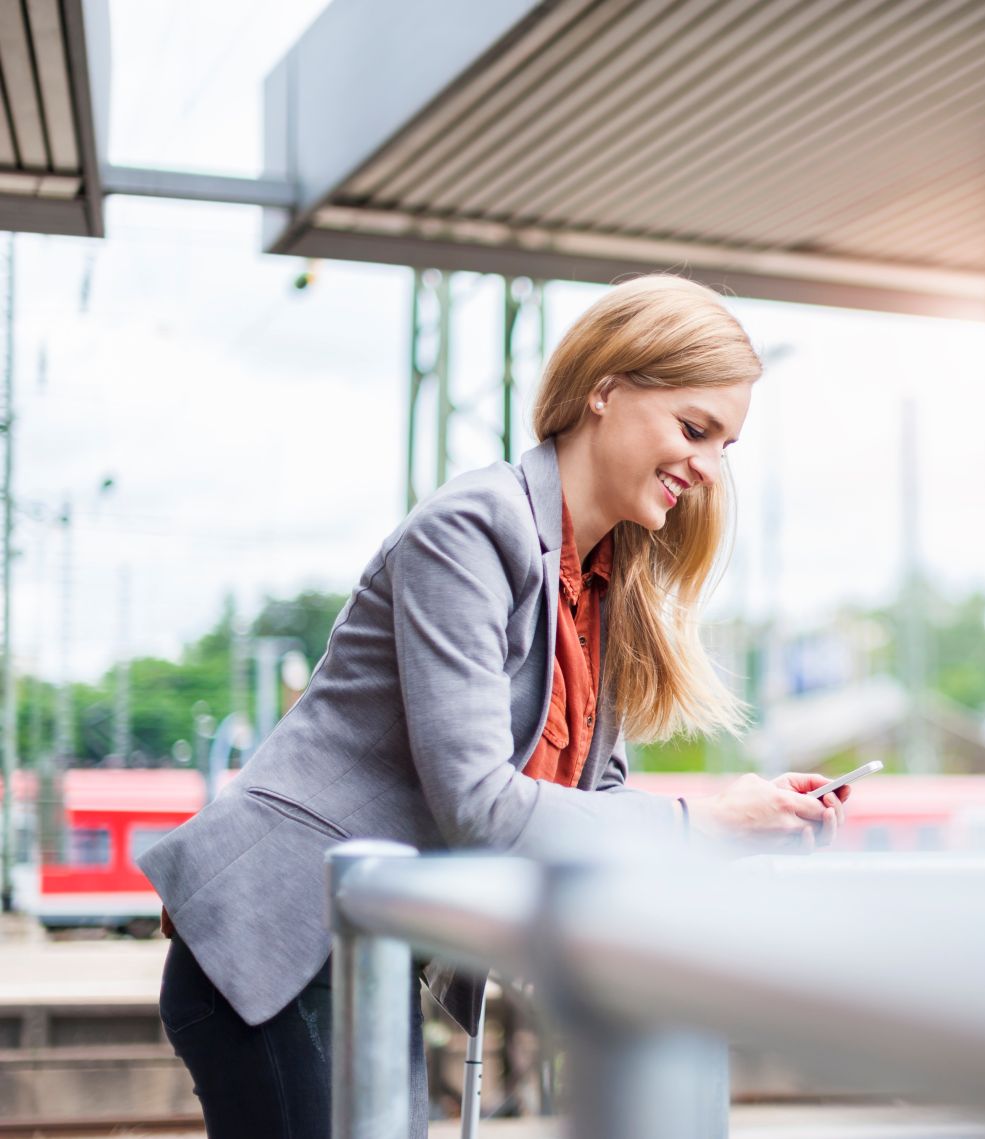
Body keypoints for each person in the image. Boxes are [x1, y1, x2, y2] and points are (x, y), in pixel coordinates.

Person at [139, 274, 852, 1139]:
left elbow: (597, 803)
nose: (707, 468)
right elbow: (479, 804)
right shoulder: (472, 529)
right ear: (606, 389)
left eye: (725, 445)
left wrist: (751, 816)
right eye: (694, 428)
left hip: (353, 950)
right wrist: (696, 823)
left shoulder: (601, 585)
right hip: (272, 943)